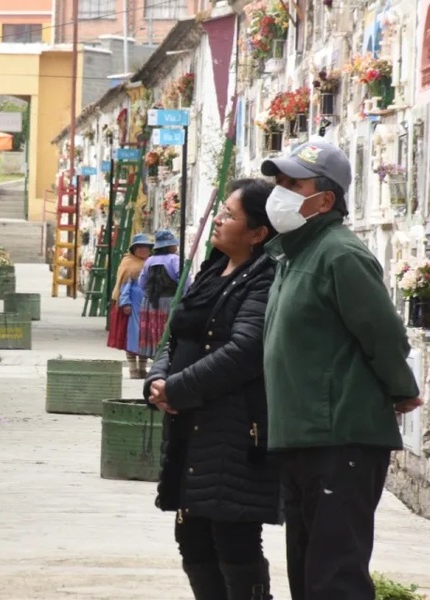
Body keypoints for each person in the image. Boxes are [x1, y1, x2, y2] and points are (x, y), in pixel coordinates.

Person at [260, 139, 424, 600]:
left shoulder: (339, 254)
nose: (280, 191)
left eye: (294, 183)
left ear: (325, 199)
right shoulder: (293, 254)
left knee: (335, 578)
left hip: (340, 439)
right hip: (303, 439)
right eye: (279, 181)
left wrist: (400, 389)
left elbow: (382, 333)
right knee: (308, 577)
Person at [144, 179, 282, 600]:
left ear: (258, 233)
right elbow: (177, 335)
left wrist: (176, 389)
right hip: (191, 427)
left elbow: (245, 351)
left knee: (233, 535)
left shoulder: (263, 278)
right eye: (220, 211)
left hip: (234, 430)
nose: (218, 220)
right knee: (193, 537)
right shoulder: (211, 269)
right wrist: (157, 379)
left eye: (229, 215)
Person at [108, 234, 154, 375]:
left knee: (146, 337)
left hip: (147, 306)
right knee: (133, 337)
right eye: (139, 247)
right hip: (132, 308)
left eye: (145, 247)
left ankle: (143, 368)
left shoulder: (151, 262)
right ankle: (133, 369)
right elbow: (124, 286)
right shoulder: (128, 264)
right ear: (133, 249)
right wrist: (125, 303)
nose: (143, 250)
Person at [138, 230, 185, 360]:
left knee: (153, 331)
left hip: (150, 303)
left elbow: (142, 282)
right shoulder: (175, 259)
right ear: (170, 246)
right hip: (169, 301)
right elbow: (184, 280)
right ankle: (165, 356)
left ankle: (154, 356)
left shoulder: (149, 260)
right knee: (167, 330)